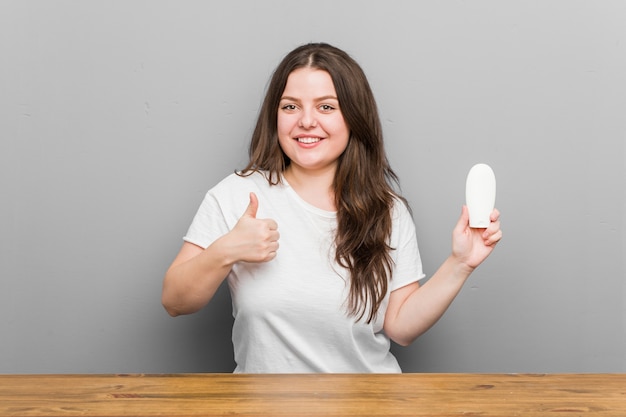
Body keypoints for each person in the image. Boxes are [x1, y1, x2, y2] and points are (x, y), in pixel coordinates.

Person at [161, 42, 502, 373]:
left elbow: (400, 326)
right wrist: (226, 250)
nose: (306, 121)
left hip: (369, 407)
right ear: (274, 116)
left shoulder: (387, 210)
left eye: (326, 107)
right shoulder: (236, 195)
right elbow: (175, 301)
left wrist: (460, 264)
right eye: (290, 106)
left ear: (353, 117)